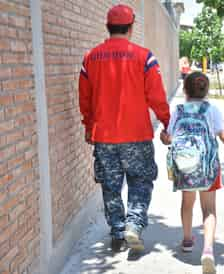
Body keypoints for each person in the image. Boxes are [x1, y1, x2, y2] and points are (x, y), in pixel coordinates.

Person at [78, 4, 170, 252]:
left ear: (108, 27)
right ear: (131, 28)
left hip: (104, 137)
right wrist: (167, 122)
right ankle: (134, 224)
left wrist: (88, 126)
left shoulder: (90, 58)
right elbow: (157, 96)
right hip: (137, 135)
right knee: (140, 181)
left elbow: (84, 98)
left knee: (110, 185)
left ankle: (118, 232)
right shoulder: (144, 57)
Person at [160, 72, 224, 273]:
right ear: (206, 90)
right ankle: (208, 250)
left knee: (187, 202)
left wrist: (164, 138)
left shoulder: (177, 110)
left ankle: (187, 240)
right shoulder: (212, 110)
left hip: (185, 165)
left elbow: (168, 137)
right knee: (209, 209)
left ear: (185, 90)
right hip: (208, 166)